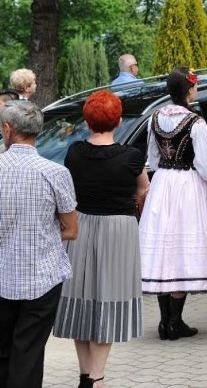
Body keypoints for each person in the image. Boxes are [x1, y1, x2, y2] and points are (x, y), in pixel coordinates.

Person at [52, 91, 148, 388]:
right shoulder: (132, 157)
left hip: (79, 228)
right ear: (119, 121)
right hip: (118, 231)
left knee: (80, 299)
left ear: (87, 120)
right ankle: (98, 377)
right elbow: (143, 190)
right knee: (109, 299)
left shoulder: (74, 152)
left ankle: (85, 375)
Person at [138, 68, 207, 341]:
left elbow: (152, 157)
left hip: (164, 182)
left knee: (165, 248)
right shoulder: (195, 123)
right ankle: (174, 321)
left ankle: (166, 321)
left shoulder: (155, 118)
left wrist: (163, 171)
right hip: (187, 185)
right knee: (181, 249)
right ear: (189, 90)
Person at [0, 100, 78, 388]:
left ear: (7, 130)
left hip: (2, 275)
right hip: (42, 277)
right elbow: (71, 230)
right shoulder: (56, 173)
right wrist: (37, 231)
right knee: (29, 352)